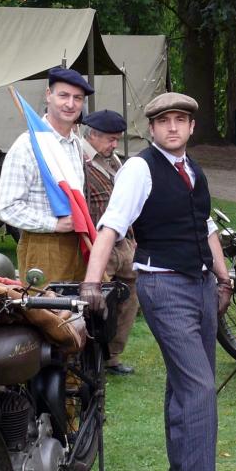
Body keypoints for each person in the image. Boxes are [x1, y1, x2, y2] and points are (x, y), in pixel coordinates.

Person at [79, 92, 235, 471]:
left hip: (201, 284)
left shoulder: (192, 170)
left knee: (186, 385)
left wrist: (223, 278)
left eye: (180, 120)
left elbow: (204, 225)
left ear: (191, 127)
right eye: (164, 120)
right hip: (164, 287)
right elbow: (111, 226)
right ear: (151, 128)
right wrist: (93, 281)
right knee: (199, 386)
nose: (172, 127)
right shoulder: (139, 169)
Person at [0, 67, 95, 281]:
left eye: (77, 98)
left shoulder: (75, 144)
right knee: (47, 313)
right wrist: (54, 224)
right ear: (48, 95)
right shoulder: (27, 146)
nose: (70, 104)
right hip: (43, 245)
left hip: (77, 242)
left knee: (77, 311)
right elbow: (6, 207)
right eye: (63, 95)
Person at [80, 109, 140, 375]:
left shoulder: (114, 160)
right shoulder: (78, 162)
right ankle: (88, 358)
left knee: (129, 299)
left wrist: (134, 239)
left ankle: (112, 357)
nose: (115, 144)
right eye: (110, 139)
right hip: (97, 245)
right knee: (95, 303)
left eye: (117, 139)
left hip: (123, 243)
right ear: (92, 135)